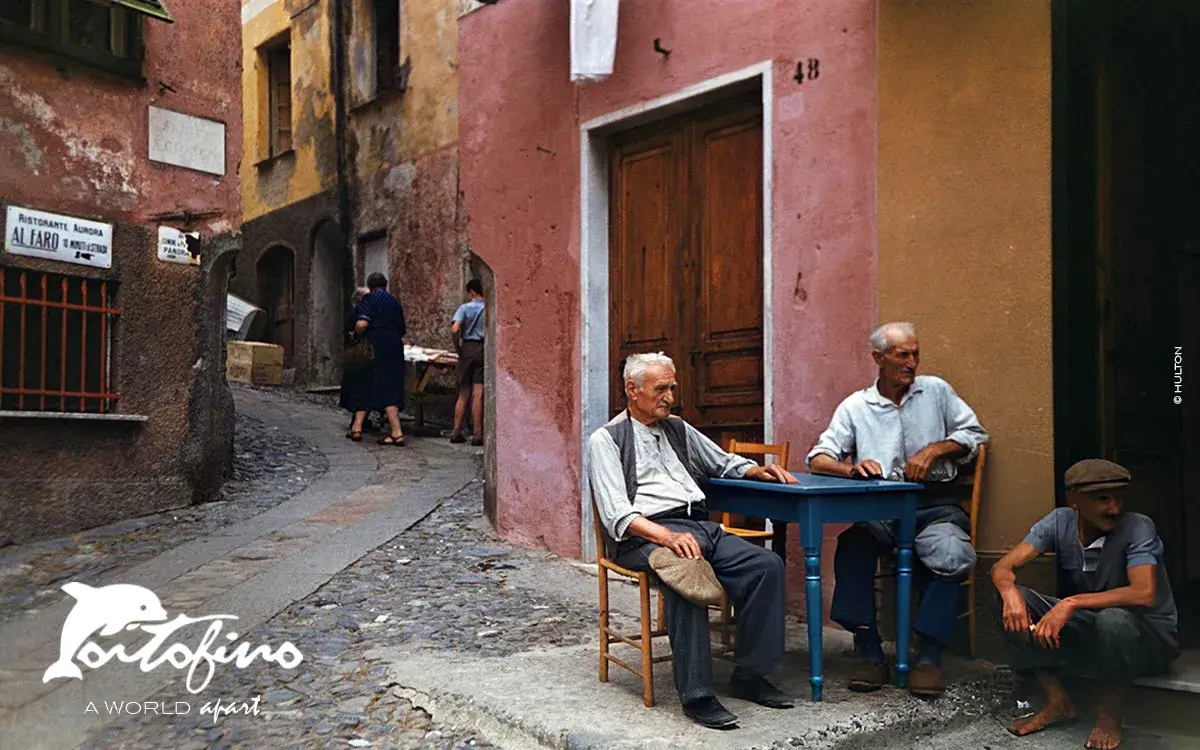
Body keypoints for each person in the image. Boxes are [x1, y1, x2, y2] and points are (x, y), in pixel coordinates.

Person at [587, 352, 797, 730]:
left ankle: (750, 674)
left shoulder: (678, 428)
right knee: (684, 575)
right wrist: (666, 536)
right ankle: (697, 694)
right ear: (631, 390)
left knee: (766, 566)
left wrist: (755, 469)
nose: (669, 396)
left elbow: (720, 462)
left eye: (672, 387)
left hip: (696, 526)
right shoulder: (606, 440)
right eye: (660, 389)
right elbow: (617, 513)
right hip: (644, 536)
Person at [807, 321, 988, 697]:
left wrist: (934, 449)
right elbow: (818, 458)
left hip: (934, 505)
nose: (911, 363)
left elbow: (974, 434)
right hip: (881, 512)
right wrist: (851, 468)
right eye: (902, 355)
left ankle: (928, 656)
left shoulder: (936, 391)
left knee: (954, 554)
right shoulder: (858, 406)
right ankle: (870, 653)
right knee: (852, 546)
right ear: (878, 358)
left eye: (915, 353)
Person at [991, 459, 1178, 750]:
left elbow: (1143, 592)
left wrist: (1071, 603)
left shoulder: (1138, 527)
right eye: (1102, 499)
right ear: (1074, 499)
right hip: (1094, 631)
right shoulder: (1059, 521)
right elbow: (1003, 567)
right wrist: (1008, 590)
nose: (1113, 508)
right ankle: (1057, 700)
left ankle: (1108, 717)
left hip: (1148, 639)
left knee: (1113, 620)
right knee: (1008, 600)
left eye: (1118, 498)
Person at [355, 272, 407, 446]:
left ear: (370, 286)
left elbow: (362, 324)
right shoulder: (394, 301)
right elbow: (402, 329)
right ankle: (395, 430)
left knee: (383, 385)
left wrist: (357, 332)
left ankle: (396, 431)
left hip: (379, 347)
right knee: (393, 383)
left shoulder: (370, 300)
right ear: (385, 284)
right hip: (395, 346)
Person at [450, 279, 486, 446]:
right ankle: (478, 434)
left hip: (467, 348)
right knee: (478, 393)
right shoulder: (487, 308)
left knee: (463, 392)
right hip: (482, 348)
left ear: (471, 292)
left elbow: (455, 329)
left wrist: (458, 347)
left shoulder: (464, 308)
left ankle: (456, 431)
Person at [340, 286, 374, 440]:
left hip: (354, 358)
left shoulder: (356, 313)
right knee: (362, 388)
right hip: (361, 358)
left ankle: (359, 421)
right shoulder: (361, 314)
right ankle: (358, 423)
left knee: (359, 388)